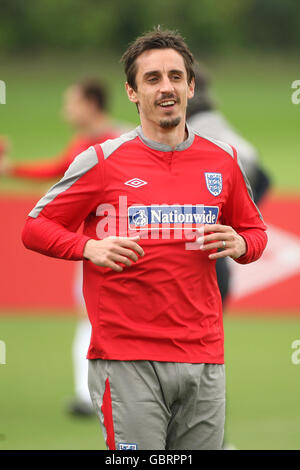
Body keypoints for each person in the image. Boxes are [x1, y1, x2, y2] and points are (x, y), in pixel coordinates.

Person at [22, 28, 267, 450]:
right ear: (133, 93)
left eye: (175, 76)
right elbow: (35, 228)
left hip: (204, 357)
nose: (165, 86)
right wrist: (88, 247)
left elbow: (255, 233)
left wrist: (242, 244)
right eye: (152, 79)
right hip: (125, 359)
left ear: (191, 86)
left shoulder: (222, 160)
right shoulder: (101, 160)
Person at [1, 78, 124, 416]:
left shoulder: (114, 141)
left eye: (70, 103)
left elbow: (60, 174)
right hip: (94, 243)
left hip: (111, 243)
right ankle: (93, 395)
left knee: (95, 317)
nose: (65, 111)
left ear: (90, 104)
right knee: (92, 318)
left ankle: (97, 396)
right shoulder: (87, 142)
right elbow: (59, 170)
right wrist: (11, 168)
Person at [187, 66, 271, 305]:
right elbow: (264, 178)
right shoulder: (218, 125)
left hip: (199, 265)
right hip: (215, 262)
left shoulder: (194, 134)